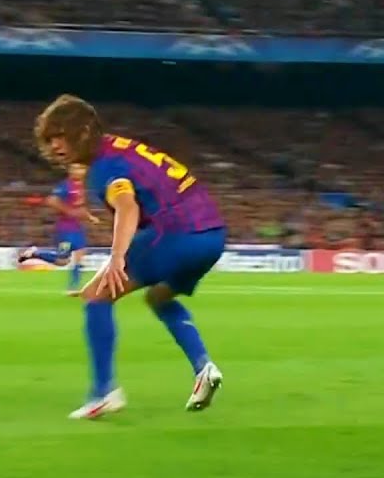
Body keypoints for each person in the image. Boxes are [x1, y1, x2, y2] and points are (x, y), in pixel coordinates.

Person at [34, 94, 227, 420]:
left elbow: (127, 206)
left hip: (177, 233)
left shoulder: (104, 166)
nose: (55, 146)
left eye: (60, 136)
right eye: (50, 139)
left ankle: (103, 392)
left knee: (96, 295)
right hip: (212, 234)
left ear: (83, 131)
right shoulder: (122, 148)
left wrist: (117, 257)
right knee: (159, 297)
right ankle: (204, 367)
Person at [18, 163, 98, 293]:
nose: (79, 171)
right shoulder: (66, 185)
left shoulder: (80, 186)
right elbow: (51, 200)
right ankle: (36, 253)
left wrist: (90, 217)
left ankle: (73, 288)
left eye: (81, 168)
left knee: (79, 256)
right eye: (76, 168)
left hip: (78, 228)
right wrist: (69, 211)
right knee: (62, 260)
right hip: (66, 229)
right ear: (70, 171)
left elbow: (80, 207)